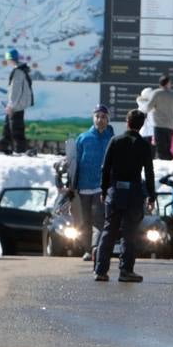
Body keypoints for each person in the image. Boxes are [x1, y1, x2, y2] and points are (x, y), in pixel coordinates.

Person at [95, 108, 155, 283]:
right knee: (129, 233)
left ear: (127, 123)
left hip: (115, 192)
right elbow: (149, 173)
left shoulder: (115, 140)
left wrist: (104, 189)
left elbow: (105, 168)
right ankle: (126, 270)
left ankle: (101, 270)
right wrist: (151, 196)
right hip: (134, 194)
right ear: (141, 125)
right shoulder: (144, 145)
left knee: (109, 230)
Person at [68, 105, 115, 261]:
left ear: (108, 119)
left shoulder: (111, 139)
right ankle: (88, 249)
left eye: (103, 116)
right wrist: (72, 186)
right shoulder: (83, 138)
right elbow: (74, 163)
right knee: (84, 222)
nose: (100, 119)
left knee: (99, 220)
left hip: (101, 187)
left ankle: (96, 248)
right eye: (97, 116)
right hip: (83, 187)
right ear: (93, 118)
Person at [0, 48, 34, 155]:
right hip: (18, 104)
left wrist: (11, 106)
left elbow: (15, 91)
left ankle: (21, 150)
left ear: (11, 59)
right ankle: (1, 147)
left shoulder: (17, 72)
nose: (7, 62)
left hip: (17, 105)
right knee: (7, 126)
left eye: (7, 59)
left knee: (16, 128)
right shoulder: (21, 70)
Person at [146, 75, 173, 162]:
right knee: (169, 150)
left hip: (158, 126)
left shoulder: (156, 93)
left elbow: (148, 107)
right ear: (168, 83)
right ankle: (169, 169)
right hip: (170, 127)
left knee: (160, 150)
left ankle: (162, 170)